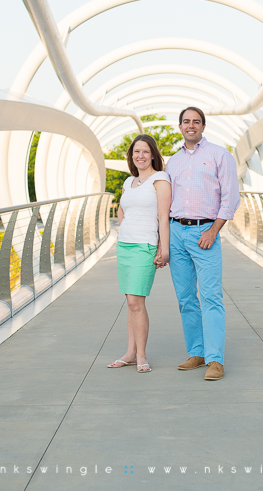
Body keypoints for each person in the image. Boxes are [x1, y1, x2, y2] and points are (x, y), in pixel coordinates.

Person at [162, 106, 240, 381]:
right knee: (185, 299)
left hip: (205, 232)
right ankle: (197, 352)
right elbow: (165, 202)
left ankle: (215, 359)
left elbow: (230, 197)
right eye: (186, 121)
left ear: (203, 127)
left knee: (211, 297)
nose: (191, 126)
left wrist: (214, 230)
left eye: (196, 122)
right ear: (180, 126)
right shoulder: (172, 162)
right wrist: (164, 241)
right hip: (177, 232)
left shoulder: (220, 155)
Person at [107, 134, 171, 373]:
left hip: (145, 246)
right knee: (130, 302)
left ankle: (141, 355)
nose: (140, 156)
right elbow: (122, 211)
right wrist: (122, 231)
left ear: (153, 154)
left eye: (145, 151)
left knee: (136, 301)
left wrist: (163, 248)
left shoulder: (160, 179)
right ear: (131, 156)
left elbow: (164, 217)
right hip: (125, 246)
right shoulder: (128, 182)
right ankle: (130, 353)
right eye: (136, 152)